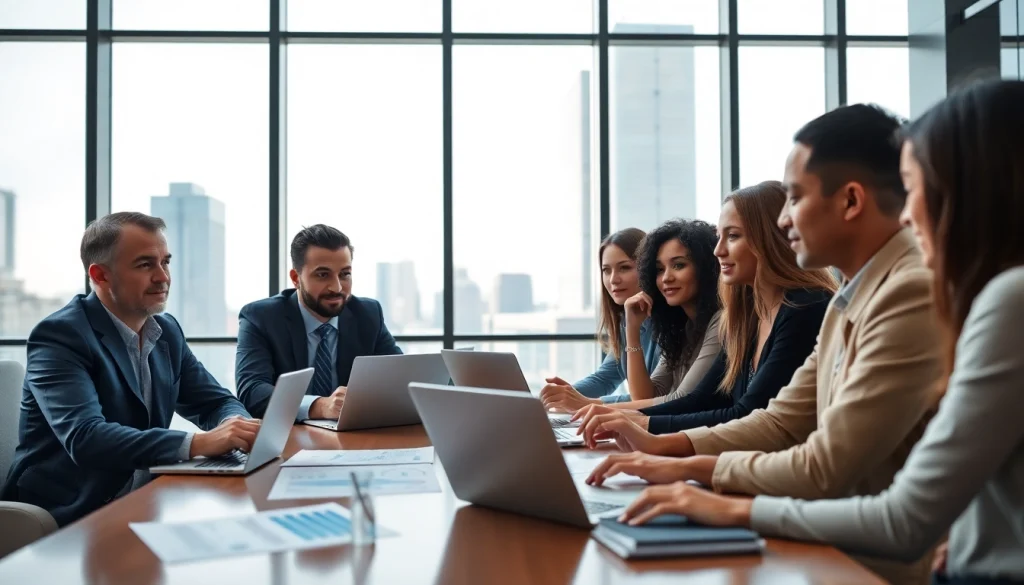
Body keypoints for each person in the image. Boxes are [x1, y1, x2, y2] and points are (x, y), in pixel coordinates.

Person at [607, 79, 1024, 585]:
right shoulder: (850, 298)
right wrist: (673, 457)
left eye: (917, 190)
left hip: (873, 563)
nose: (783, 220)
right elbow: (781, 422)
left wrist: (710, 485)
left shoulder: (928, 291)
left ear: (850, 200)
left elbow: (853, 483)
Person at [1, 212, 257, 527]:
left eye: (166, 262)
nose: (163, 277)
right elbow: (86, 438)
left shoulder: (166, 331)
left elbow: (213, 400)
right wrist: (199, 443)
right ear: (101, 275)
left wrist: (235, 424)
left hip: (144, 500)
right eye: (145, 264)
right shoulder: (60, 336)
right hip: (70, 512)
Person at [575, 182, 835, 438]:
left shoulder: (805, 307)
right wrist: (627, 418)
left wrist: (638, 423)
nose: (718, 250)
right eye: (720, 236)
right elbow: (702, 400)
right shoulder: (746, 317)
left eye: (732, 236)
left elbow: (747, 414)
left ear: (769, 238)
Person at [236, 225, 401, 420]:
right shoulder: (261, 317)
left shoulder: (368, 314)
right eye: (323, 275)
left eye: (344, 274)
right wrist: (319, 406)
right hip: (288, 440)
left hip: (353, 440)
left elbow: (398, 379)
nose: (336, 287)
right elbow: (252, 391)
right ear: (296, 278)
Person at [538, 228, 660, 409]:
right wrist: (561, 396)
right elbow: (605, 378)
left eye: (624, 268)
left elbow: (653, 398)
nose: (613, 280)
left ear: (647, 269)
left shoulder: (670, 323)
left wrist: (585, 403)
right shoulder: (628, 319)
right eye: (606, 270)